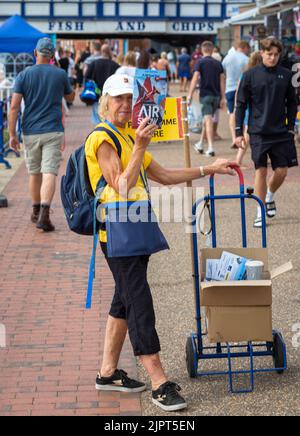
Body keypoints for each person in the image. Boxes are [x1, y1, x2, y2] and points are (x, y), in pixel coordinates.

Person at [85, 73, 237, 412]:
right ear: (106, 102)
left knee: (124, 300)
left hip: (134, 229)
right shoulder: (102, 138)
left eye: (130, 98)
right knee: (139, 303)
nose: (126, 104)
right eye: (119, 98)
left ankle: (107, 373)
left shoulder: (126, 134)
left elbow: (165, 176)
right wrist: (140, 147)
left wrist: (207, 169)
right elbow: (122, 186)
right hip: (117, 232)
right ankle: (158, 382)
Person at [8, 38, 75, 231]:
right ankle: (45, 213)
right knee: (50, 171)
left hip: (30, 131)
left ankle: (36, 210)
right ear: (52, 55)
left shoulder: (23, 75)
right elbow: (70, 96)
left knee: (34, 172)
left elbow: (13, 107)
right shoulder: (60, 74)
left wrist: (12, 134)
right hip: (53, 130)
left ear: (35, 53)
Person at [235, 38, 298, 228]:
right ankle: (259, 212)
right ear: (261, 53)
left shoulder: (286, 75)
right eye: (269, 54)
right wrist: (238, 132)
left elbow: (292, 103)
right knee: (260, 171)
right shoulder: (250, 75)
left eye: (276, 55)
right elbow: (241, 105)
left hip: (280, 132)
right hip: (258, 133)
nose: (273, 57)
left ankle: (270, 194)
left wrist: (290, 127)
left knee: (282, 171)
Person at [188, 41, 226, 157]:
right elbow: (222, 81)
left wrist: (190, 94)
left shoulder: (200, 62)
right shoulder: (218, 63)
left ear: (202, 50)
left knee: (208, 120)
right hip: (216, 96)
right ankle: (200, 144)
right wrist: (223, 97)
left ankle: (210, 147)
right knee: (206, 119)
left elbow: (195, 79)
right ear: (212, 49)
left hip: (205, 95)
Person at [235, 52, 262, 166]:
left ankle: (239, 160)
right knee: (247, 133)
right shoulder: (255, 75)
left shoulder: (245, 75)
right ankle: (238, 160)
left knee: (247, 132)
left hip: (246, 107)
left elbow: (238, 91)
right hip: (252, 108)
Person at [222, 41, 250, 147]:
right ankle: (242, 136)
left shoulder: (227, 58)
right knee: (242, 111)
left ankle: (234, 138)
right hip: (243, 88)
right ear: (243, 47)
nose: (248, 51)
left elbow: (223, 72)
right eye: (248, 48)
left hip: (229, 88)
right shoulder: (246, 59)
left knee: (232, 113)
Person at [85, 44, 119, 123]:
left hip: (97, 94)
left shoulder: (94, 63)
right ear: (109, 52)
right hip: (110, 95)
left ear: (101, 52)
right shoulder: (115, 65)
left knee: (97, 119)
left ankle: (99, 133)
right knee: (109, 118)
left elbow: (87, 77)